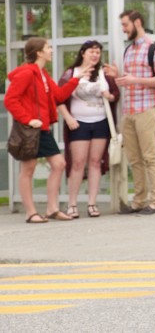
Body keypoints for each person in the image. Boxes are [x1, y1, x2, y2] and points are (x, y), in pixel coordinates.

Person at [5, 37, 92, 223]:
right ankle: (31, 213)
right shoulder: (27, 73)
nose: (52, 50)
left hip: (43, 128)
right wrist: (28, 119)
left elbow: (59, 95)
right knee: (28, 168)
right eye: (48, 47)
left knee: (59, 164)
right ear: (39, 52)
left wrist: (76, 79)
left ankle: (52, 209)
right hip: (29, 129)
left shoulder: (43, 73)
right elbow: (10, 100)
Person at [110, 9, 155, 214]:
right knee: (134, 159)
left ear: (137, 23)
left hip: (147, 109)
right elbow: (129, 80)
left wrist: (134, 80)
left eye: (125, 25)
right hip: (129, 111)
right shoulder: (129, 50)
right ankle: (139, 201)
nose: (124, 29)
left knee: (150, 156)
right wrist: (117, 75)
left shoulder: (153, 49)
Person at [58, 40, 119, 218]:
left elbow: (115, 94)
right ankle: (72, 204)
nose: (95, 55)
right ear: (83, 53)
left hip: (100, 121)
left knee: (95, 162)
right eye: (91, 52)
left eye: (98, 52)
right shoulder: (72, 73)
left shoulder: (103, 73)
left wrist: (109, 95)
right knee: (78, 163)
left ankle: (92, 203)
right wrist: (68, 118)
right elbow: (59, 97)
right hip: (78, 123)